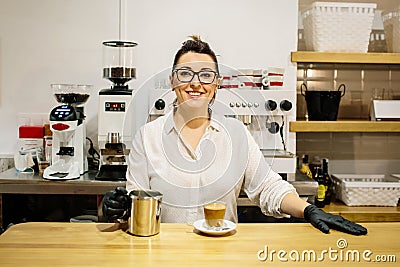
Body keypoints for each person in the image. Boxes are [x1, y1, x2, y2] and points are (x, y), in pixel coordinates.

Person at [102, 35, 367, 235]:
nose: (196, 83)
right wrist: (117, 208)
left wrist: (307, 209)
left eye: (206, 75)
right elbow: (135, 201)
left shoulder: (235, 134)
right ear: (172, 82)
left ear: (216, 84)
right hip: (166, 254)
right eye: (186, 74)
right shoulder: (147, 137)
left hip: (222, 252)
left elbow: (268, 187)